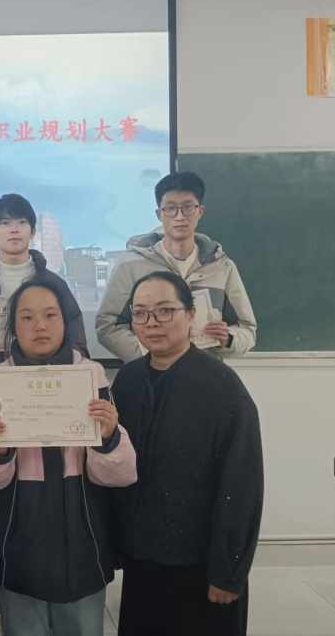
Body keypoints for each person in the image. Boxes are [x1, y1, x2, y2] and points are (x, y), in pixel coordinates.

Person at [0, 276, 137, 636]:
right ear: (14, 326)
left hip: (83, 540)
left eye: (50, 315)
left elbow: (121, 474)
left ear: (65, 321)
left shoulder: (92, 376)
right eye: (27, 317)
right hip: (18, 542)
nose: (40, 326)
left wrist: (108, 437)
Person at [111, 271, 263, 636]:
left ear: (192, 314)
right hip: (141, 559)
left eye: (165, 310)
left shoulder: (223, 389)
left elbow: (242, 487)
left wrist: (228, 572)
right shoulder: (128, 381)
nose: (152, 322)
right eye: (140, 312)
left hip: (200, 565)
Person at [96, 172, 256, 363]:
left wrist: (228, 339)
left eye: (188, 207)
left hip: (205, 372)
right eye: (171, 208)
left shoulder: (222, 267)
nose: (180, 216)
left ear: (200, 211)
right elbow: (108, 326)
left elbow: (247, 328)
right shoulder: (130, 266)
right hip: (150, 375)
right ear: (159, 214)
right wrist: (150, 356)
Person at [0, 193, 88, 372]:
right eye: (5, 223)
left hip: (45, 381)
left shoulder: (54, 284)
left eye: (22, 222)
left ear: (32, 232)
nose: (14, 229)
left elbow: (78, 344)